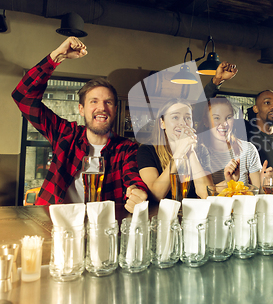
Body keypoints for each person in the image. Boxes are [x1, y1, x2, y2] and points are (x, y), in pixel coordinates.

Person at [12, 37, 148, 212]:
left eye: (108, 102)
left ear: (115, 109)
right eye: (94, 102)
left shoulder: (126, 149)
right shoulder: (65, 134)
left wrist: (137, 192)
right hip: (53, 225)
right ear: (81, 109)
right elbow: (23, 96)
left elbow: (133, 178)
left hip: (101, 228)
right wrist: (56, 56)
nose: (102, 108)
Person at [136, 99, 213, 200]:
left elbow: (207, 195)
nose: (183, 123)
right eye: (175, 117)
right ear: (162, 123)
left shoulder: (202, 151)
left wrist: (190, 151)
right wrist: (179, 152)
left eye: (188, 118)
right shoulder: (146, 150)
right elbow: (156, 195)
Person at [198, 97, 262, 187]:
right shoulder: (199, 152)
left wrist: (267, 182)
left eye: (228, 117)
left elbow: (257, 191)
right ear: (206, 122)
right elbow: (203, 193)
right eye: (216, 118)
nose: (224, 124)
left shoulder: (248, 149)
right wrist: (229, 182)